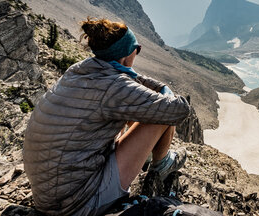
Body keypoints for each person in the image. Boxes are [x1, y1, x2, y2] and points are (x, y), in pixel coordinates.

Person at [23, 18, 191, 216]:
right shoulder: (114, 87)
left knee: (142, 106)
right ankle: (161, 164)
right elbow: (179, 110)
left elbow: (127, 79)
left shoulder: (78, 69)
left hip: (50, 194)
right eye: (137, 48)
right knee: (159, 113)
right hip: (76, 204)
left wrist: (149, 83)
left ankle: (148, 158)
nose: (137, 52)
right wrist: (165, 90)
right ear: (128, 54)